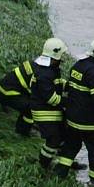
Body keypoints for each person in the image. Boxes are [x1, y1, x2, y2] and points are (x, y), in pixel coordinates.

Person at [54, 38, 94, 182]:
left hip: (73, 120)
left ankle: (59, 175)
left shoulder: (78, 66)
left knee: (70, 148)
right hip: (92, 124)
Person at [29, 37, 67, 169]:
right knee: (53, 140)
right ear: (55, 55)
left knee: (61, 136)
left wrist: (69, 86)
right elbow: (52, 99)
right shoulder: (45, 74)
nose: (62, 58)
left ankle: (61, 162)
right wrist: (70, 101)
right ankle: (44, 164)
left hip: (49, 111)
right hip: (44, 112)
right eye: (61, 55)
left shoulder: (49, 69)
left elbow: (56, 84)